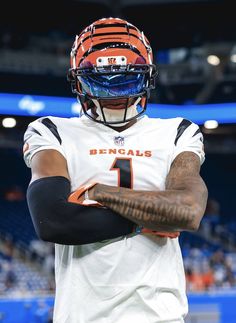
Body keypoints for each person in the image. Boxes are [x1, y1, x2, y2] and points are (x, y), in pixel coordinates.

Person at [23, 17, 208, 323]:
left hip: (160, 316)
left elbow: (187, 211)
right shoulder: (52, 130)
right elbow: (53, 220)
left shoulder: (178, 131)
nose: (115, 94)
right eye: (100, 81)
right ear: (79, 80)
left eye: (127, 79)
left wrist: (99, 193)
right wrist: (148, 218)